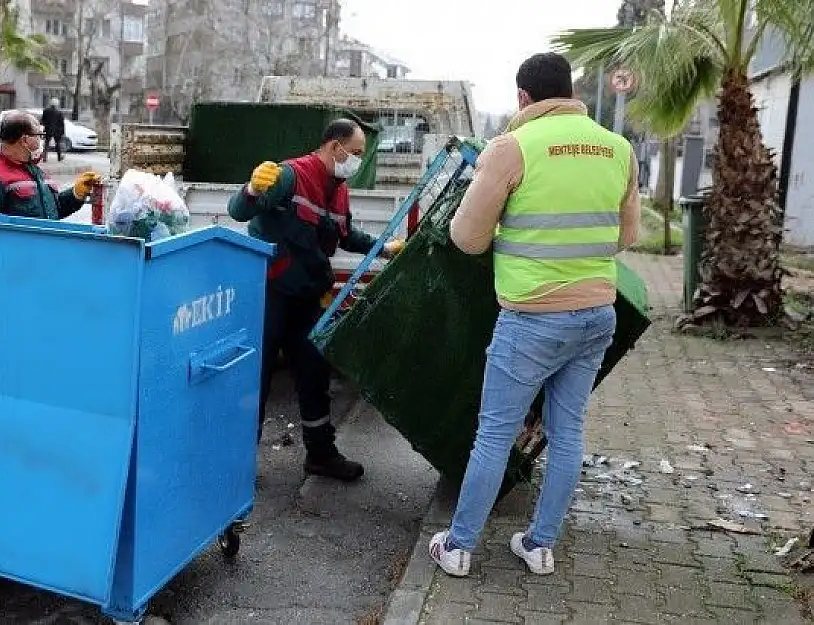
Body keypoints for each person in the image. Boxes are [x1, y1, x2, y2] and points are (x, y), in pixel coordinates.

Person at [428, 52, 641, 577]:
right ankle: (540, 546)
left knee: (495, 436)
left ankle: (458, 548)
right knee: (567, 433)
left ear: (524, 98)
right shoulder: (618, 148)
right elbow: (627, 235)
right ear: (570, 91)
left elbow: (467, 238)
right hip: (596, 314)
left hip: (531, 320)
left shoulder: (513, 147)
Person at [228, 118, 405, 482]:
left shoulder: (338, 188)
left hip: (308, 297)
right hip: (271, 294)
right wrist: (249, 189)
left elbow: (342, 234)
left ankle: (321, 455)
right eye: (354, 153)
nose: (356, 160)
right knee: (255, 378)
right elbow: (239, 211)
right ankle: (237, 465)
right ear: (333, 146)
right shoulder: (290, 176)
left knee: (313, 375)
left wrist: (382, 249)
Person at [0, 111, 101, 220]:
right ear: (24, 140)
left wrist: (75, 193)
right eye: (39, 135)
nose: (41, 141)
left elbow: (53, 210)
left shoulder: (34, 170)